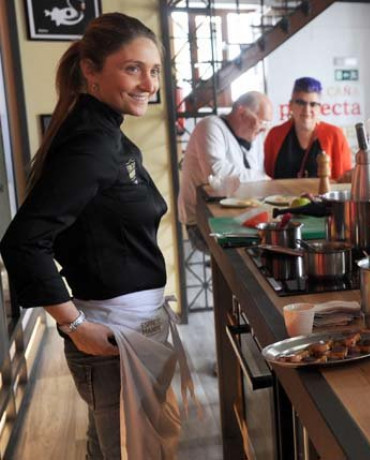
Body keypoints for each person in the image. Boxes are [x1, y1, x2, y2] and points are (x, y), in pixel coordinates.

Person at [0, 13, 195, 459]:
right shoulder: (90, 143)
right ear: (91, 71)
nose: (148, 83)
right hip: (112, 340)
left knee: (109, 450)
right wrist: (75, 325)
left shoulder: (108, 136)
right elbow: (23, 241)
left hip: (136, 330)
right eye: (132, 68)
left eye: (154, 70)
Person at [178, 91, 272, 251]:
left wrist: (261, 178)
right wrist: (262, 177)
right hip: (203, 221)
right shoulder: (210, 126)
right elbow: (218, 175)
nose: (263, 129)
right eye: (261, 121)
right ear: (241, 112)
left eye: (267, 123)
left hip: (240, 216)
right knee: (251, 257)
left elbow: (258, 179)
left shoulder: (254, 137)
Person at [264, 77, 352, 180]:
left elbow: (343, 182)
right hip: (281, 196)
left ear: (320, 108)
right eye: (301, 103)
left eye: (313, 104)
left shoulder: (335, 135)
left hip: (323, 196)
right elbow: (268, 178)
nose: (307, 110)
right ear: (290, 105)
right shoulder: (274, 135)